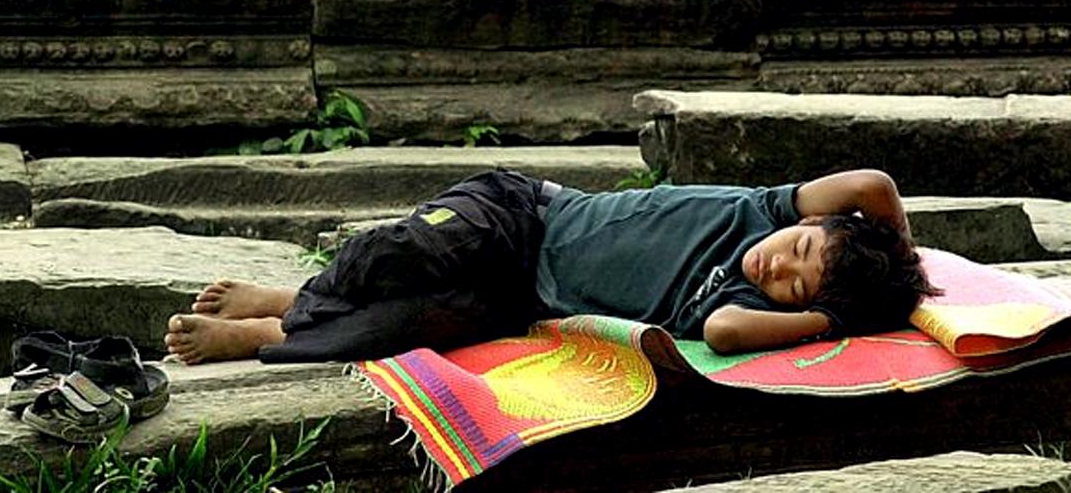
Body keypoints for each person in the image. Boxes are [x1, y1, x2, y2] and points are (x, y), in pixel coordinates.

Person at [163, 167, 938, 364]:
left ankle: (270, 333)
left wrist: (828, 314)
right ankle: (298, 292)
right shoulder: (766, 210)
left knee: (400, 330)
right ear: (809, 219)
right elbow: (874, 186)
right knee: (403, 252)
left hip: (520, 296)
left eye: (794, 283)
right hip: (519, 212)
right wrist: (903, 252)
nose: (778, 266)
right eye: (799, 249)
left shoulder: (737, 297)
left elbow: (732, 333)